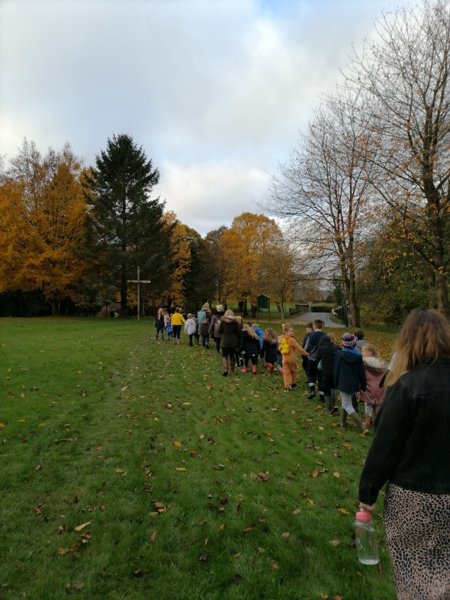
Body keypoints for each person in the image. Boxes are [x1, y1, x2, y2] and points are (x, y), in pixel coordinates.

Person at [359, 309, 450, 599]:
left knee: (415, 574)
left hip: (415, 499)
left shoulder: (407, 387)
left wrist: (367, 494)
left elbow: (384, 448)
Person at [334, 332, 367, 432]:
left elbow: (336, 370)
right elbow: (362, 372)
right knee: (346, 402)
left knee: (347, 404)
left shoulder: (339, 355)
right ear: (353, 344)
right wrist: (363, 385)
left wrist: (335, 383)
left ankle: (361, 426)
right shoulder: (358, 356)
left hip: (343, 383)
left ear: (343, 344)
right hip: (353, 383)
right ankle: (342, 424)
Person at [360, 344, 387, 429]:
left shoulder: (364, 362)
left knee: (368, 405)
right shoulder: (382, 362)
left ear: (370, 352)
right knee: (378, 404)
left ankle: (368, 421)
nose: (362, 353)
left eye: (363, 351)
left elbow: (362, 375)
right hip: (381, 387)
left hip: (369, 386)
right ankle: (378, 422)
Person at [278, 325, 308, 392]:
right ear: (286, 332)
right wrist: (306, 354)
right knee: (293, 371)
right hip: (292, 359)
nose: (292, 332)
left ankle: (287, 386)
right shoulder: (292, 340)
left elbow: (279, 348)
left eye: (292, 331)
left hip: (284, 359)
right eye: (291, 331)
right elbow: (299, 348)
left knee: (286, 373)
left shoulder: (281, 339)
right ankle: (293, 384)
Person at [315, 334, 339, 414]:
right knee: (333, 387)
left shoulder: (321, 349)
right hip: (335, 371)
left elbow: (317, 359)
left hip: (326, 372)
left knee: (327, 389)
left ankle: (328, 409)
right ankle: (334, 404)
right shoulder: (337, 347)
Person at [304, 319, 326, 400]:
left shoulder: (311, 336)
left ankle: (312, 390)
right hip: (321, 360)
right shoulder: (325, 336)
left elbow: (306, 348)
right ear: (322, 326)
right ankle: (322, 395)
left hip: (311, 359)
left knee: (310, 375)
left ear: (313, 326)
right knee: (320, 377)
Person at [218, 309, 242, 376]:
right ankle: (233, 370)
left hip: (225, 340)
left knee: (224, 356)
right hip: (233, 341)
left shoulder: (223, 322)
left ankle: (226, 370)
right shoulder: (236, 322)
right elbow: (239, 332)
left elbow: (219, 331)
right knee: (232, 356)